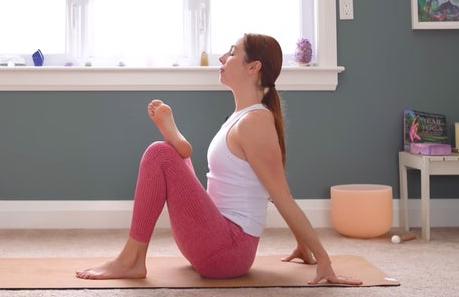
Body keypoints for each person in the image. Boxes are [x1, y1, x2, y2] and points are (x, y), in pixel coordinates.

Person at [75, 33, 361, 285]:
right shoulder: (241, 118)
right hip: (216, 239)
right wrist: (301, 245)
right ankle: (178, 144)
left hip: (227, 251)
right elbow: (263, 189)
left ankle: (131, 259)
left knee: (160, 153)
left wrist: (324, 259)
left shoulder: (255, 123)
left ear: (254, 67)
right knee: (170, 153)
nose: (223, 57)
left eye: (233, 52)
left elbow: (280, 194)